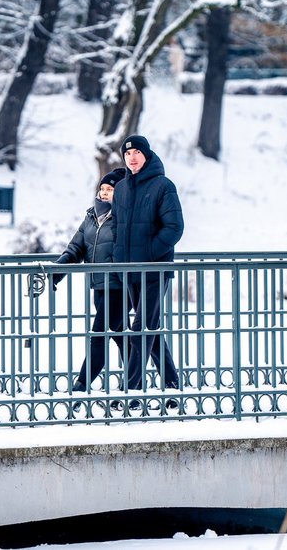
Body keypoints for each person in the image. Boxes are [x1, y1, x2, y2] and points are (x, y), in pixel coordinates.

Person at [111, 135, 184, 409]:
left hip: (154, 270)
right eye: (127, 154)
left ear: (147, 155)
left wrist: (150, 254)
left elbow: (174, 227)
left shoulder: (163, 186)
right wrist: (120, 257)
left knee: (140, 328)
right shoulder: (121, 189)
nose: (131, 158)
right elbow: (116, 226)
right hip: (129, 270)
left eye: (137, 153)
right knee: (150, 329)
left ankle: (130, 390)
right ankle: (172, 385)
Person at [53, 168, 127, 397]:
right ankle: (135, 382)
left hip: (119, 287)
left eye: (110, 190)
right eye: (102, 189)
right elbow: (75, 249)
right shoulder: (91, 217)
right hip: (98, 287)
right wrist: (56, 272)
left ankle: (81, 385)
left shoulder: (124, 218)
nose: (104, 194)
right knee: (119, 333)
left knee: (99, 334)